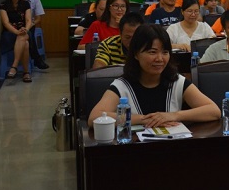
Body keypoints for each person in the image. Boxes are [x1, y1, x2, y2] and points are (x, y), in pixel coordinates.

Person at [88, 24, 221, 129]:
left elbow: (214, 111)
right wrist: (144, 119)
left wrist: (173, 116)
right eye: (152, 52)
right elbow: (94, 117)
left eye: (165, 52)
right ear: (136, 54)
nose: (160, 59)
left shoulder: (177, 81)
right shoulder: (122, 85)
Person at [0, 0, 32, 82]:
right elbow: (6, 23)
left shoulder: (26, 4)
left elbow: (28, 20)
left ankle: (14, 67)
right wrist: (17, 32)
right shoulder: (4, 5)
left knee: (23, 36)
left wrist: (26, 29)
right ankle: (26, 73)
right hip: (9, 33)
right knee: (25, 44)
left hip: (24, 31)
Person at [17, 0, 49, 69]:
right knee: (29, 36)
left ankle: (36, 59)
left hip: (30, 25)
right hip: (15, 25)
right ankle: (37, 59)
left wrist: (30, 25)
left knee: (29, 33)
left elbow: (38, 18)